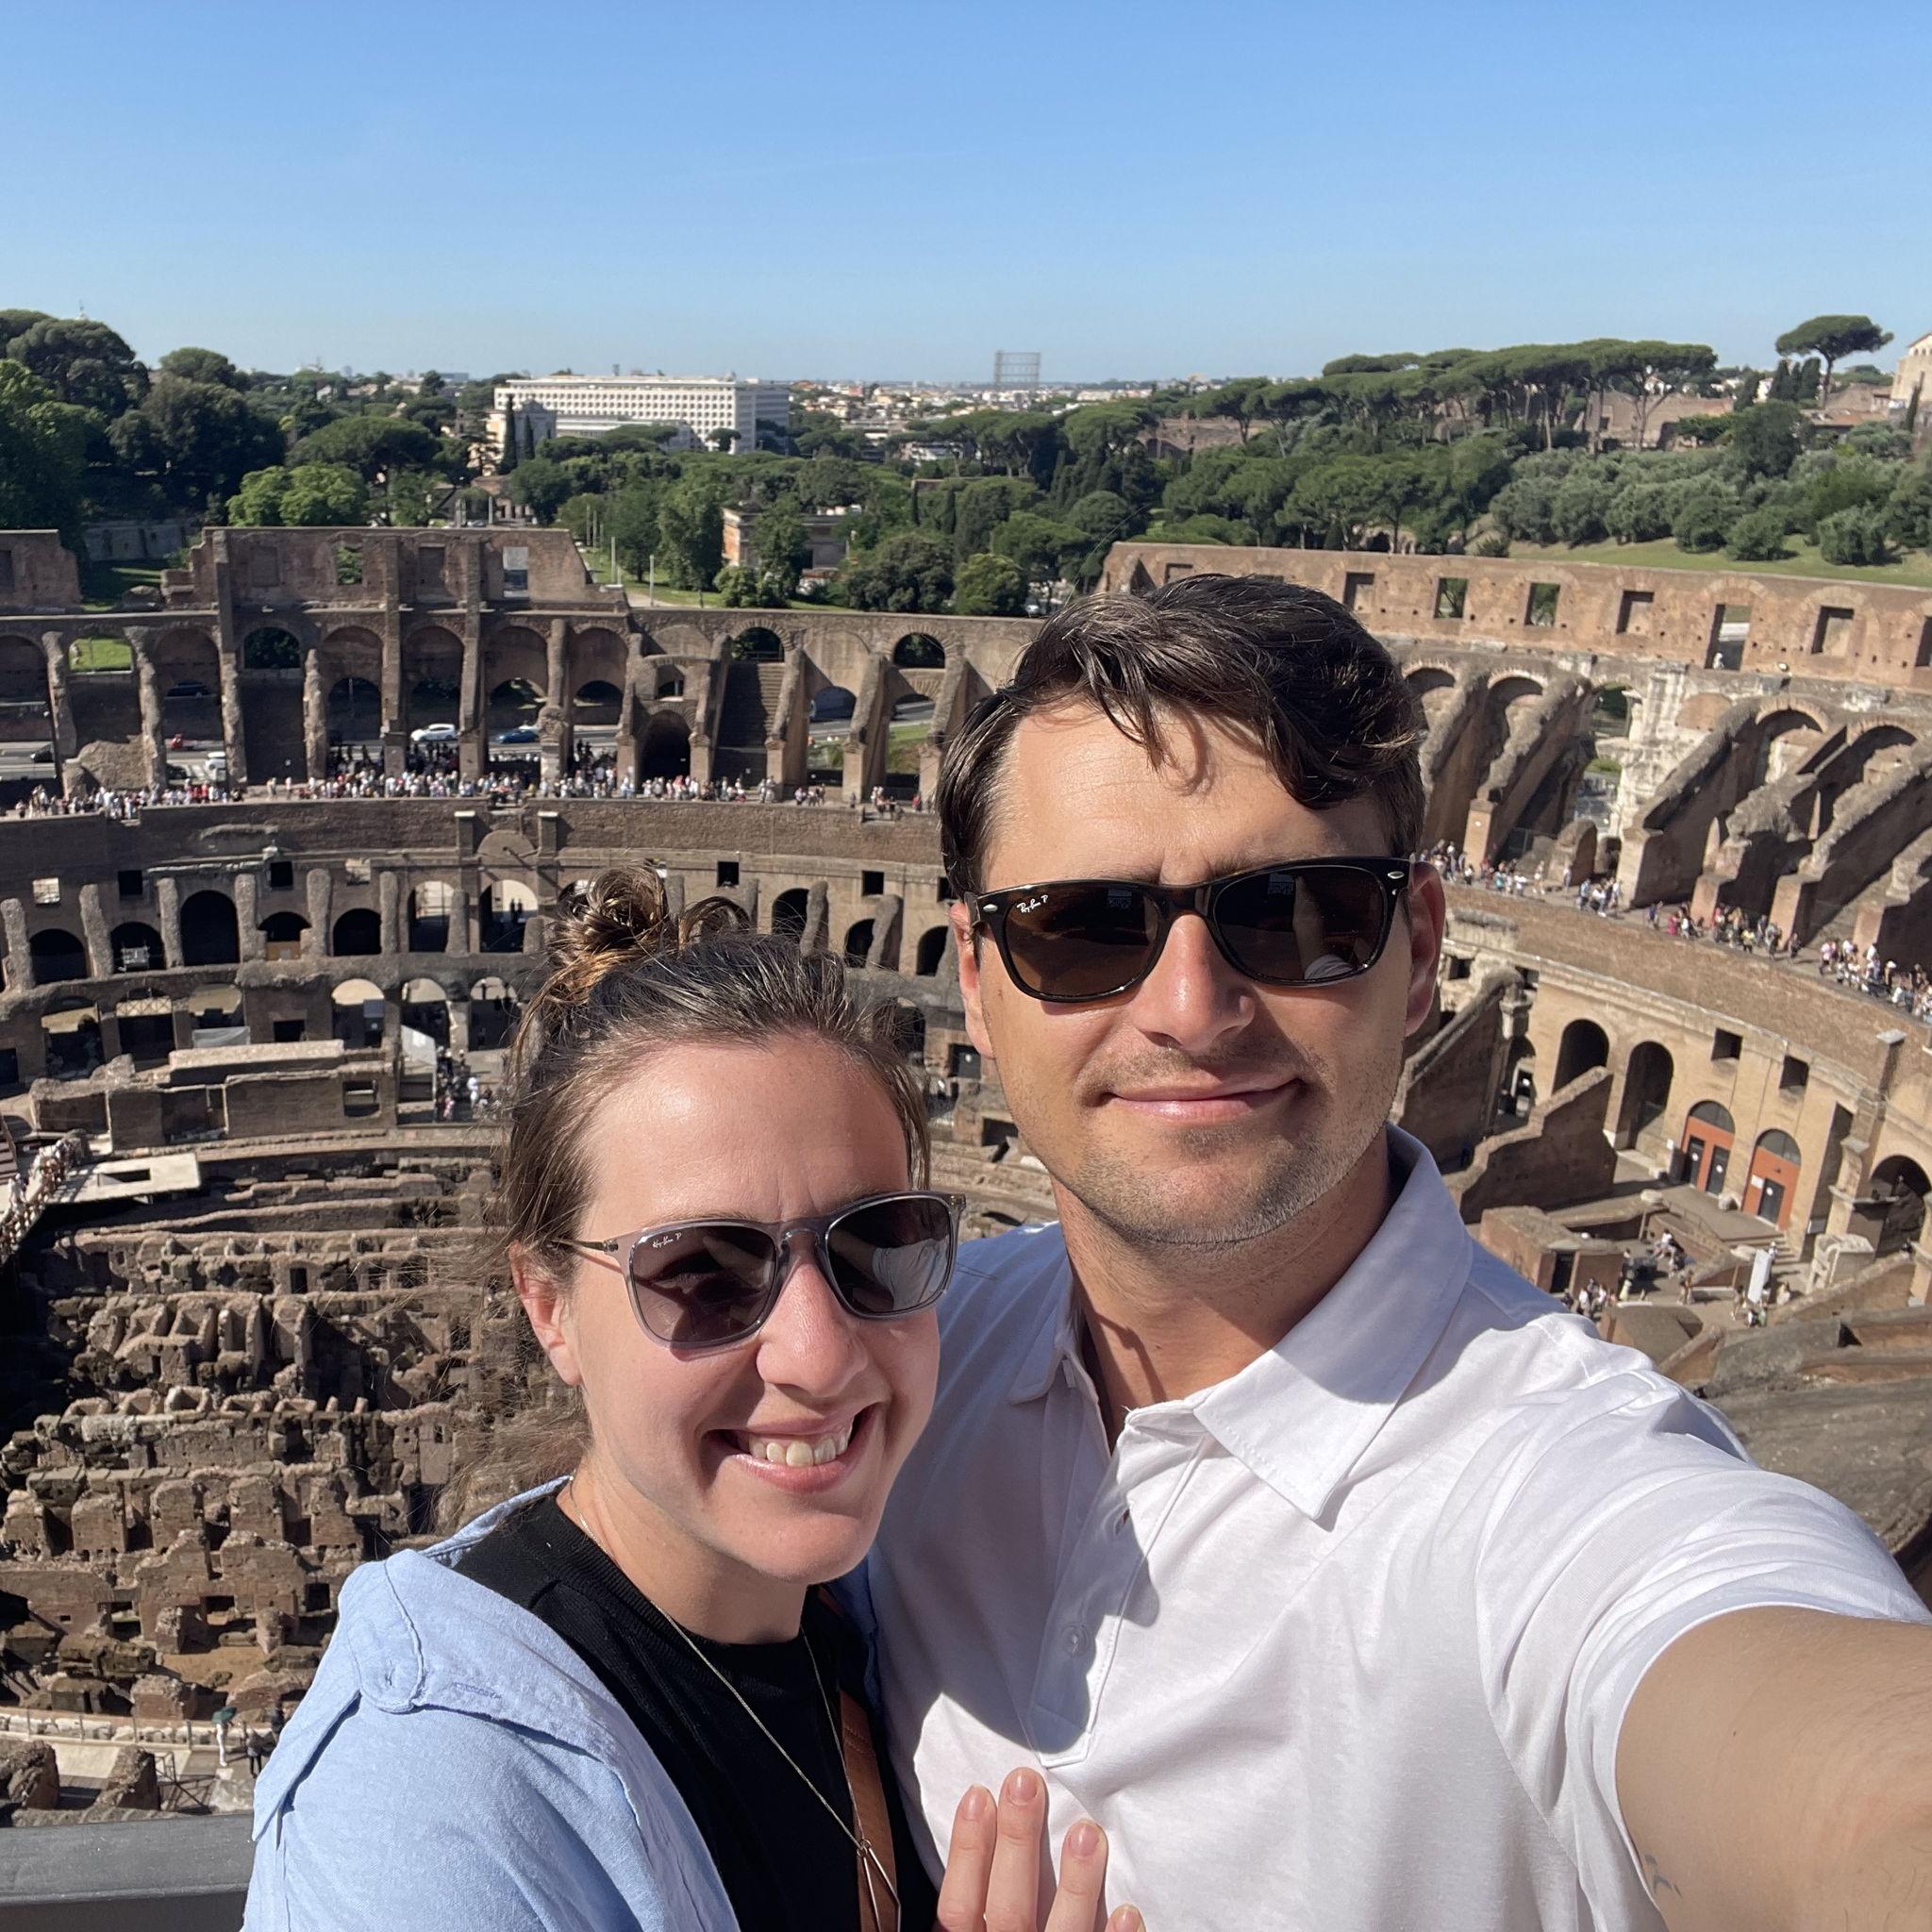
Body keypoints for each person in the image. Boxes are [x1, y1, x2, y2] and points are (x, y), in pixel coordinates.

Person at [865, 575, 1932, 1931]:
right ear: (974, 976)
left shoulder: (1564, 1498)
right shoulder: (899, 1364)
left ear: (1418, 949)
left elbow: (1841, 1776)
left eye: (1295, 913)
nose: (1191, 1007)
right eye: (1081, 927)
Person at [244, 871, 1139, 1932]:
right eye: (703, 1271)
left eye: (877, 1244)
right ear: (549, 1307)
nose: (817, 1354)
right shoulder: (421, 1802)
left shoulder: (871, 1624)